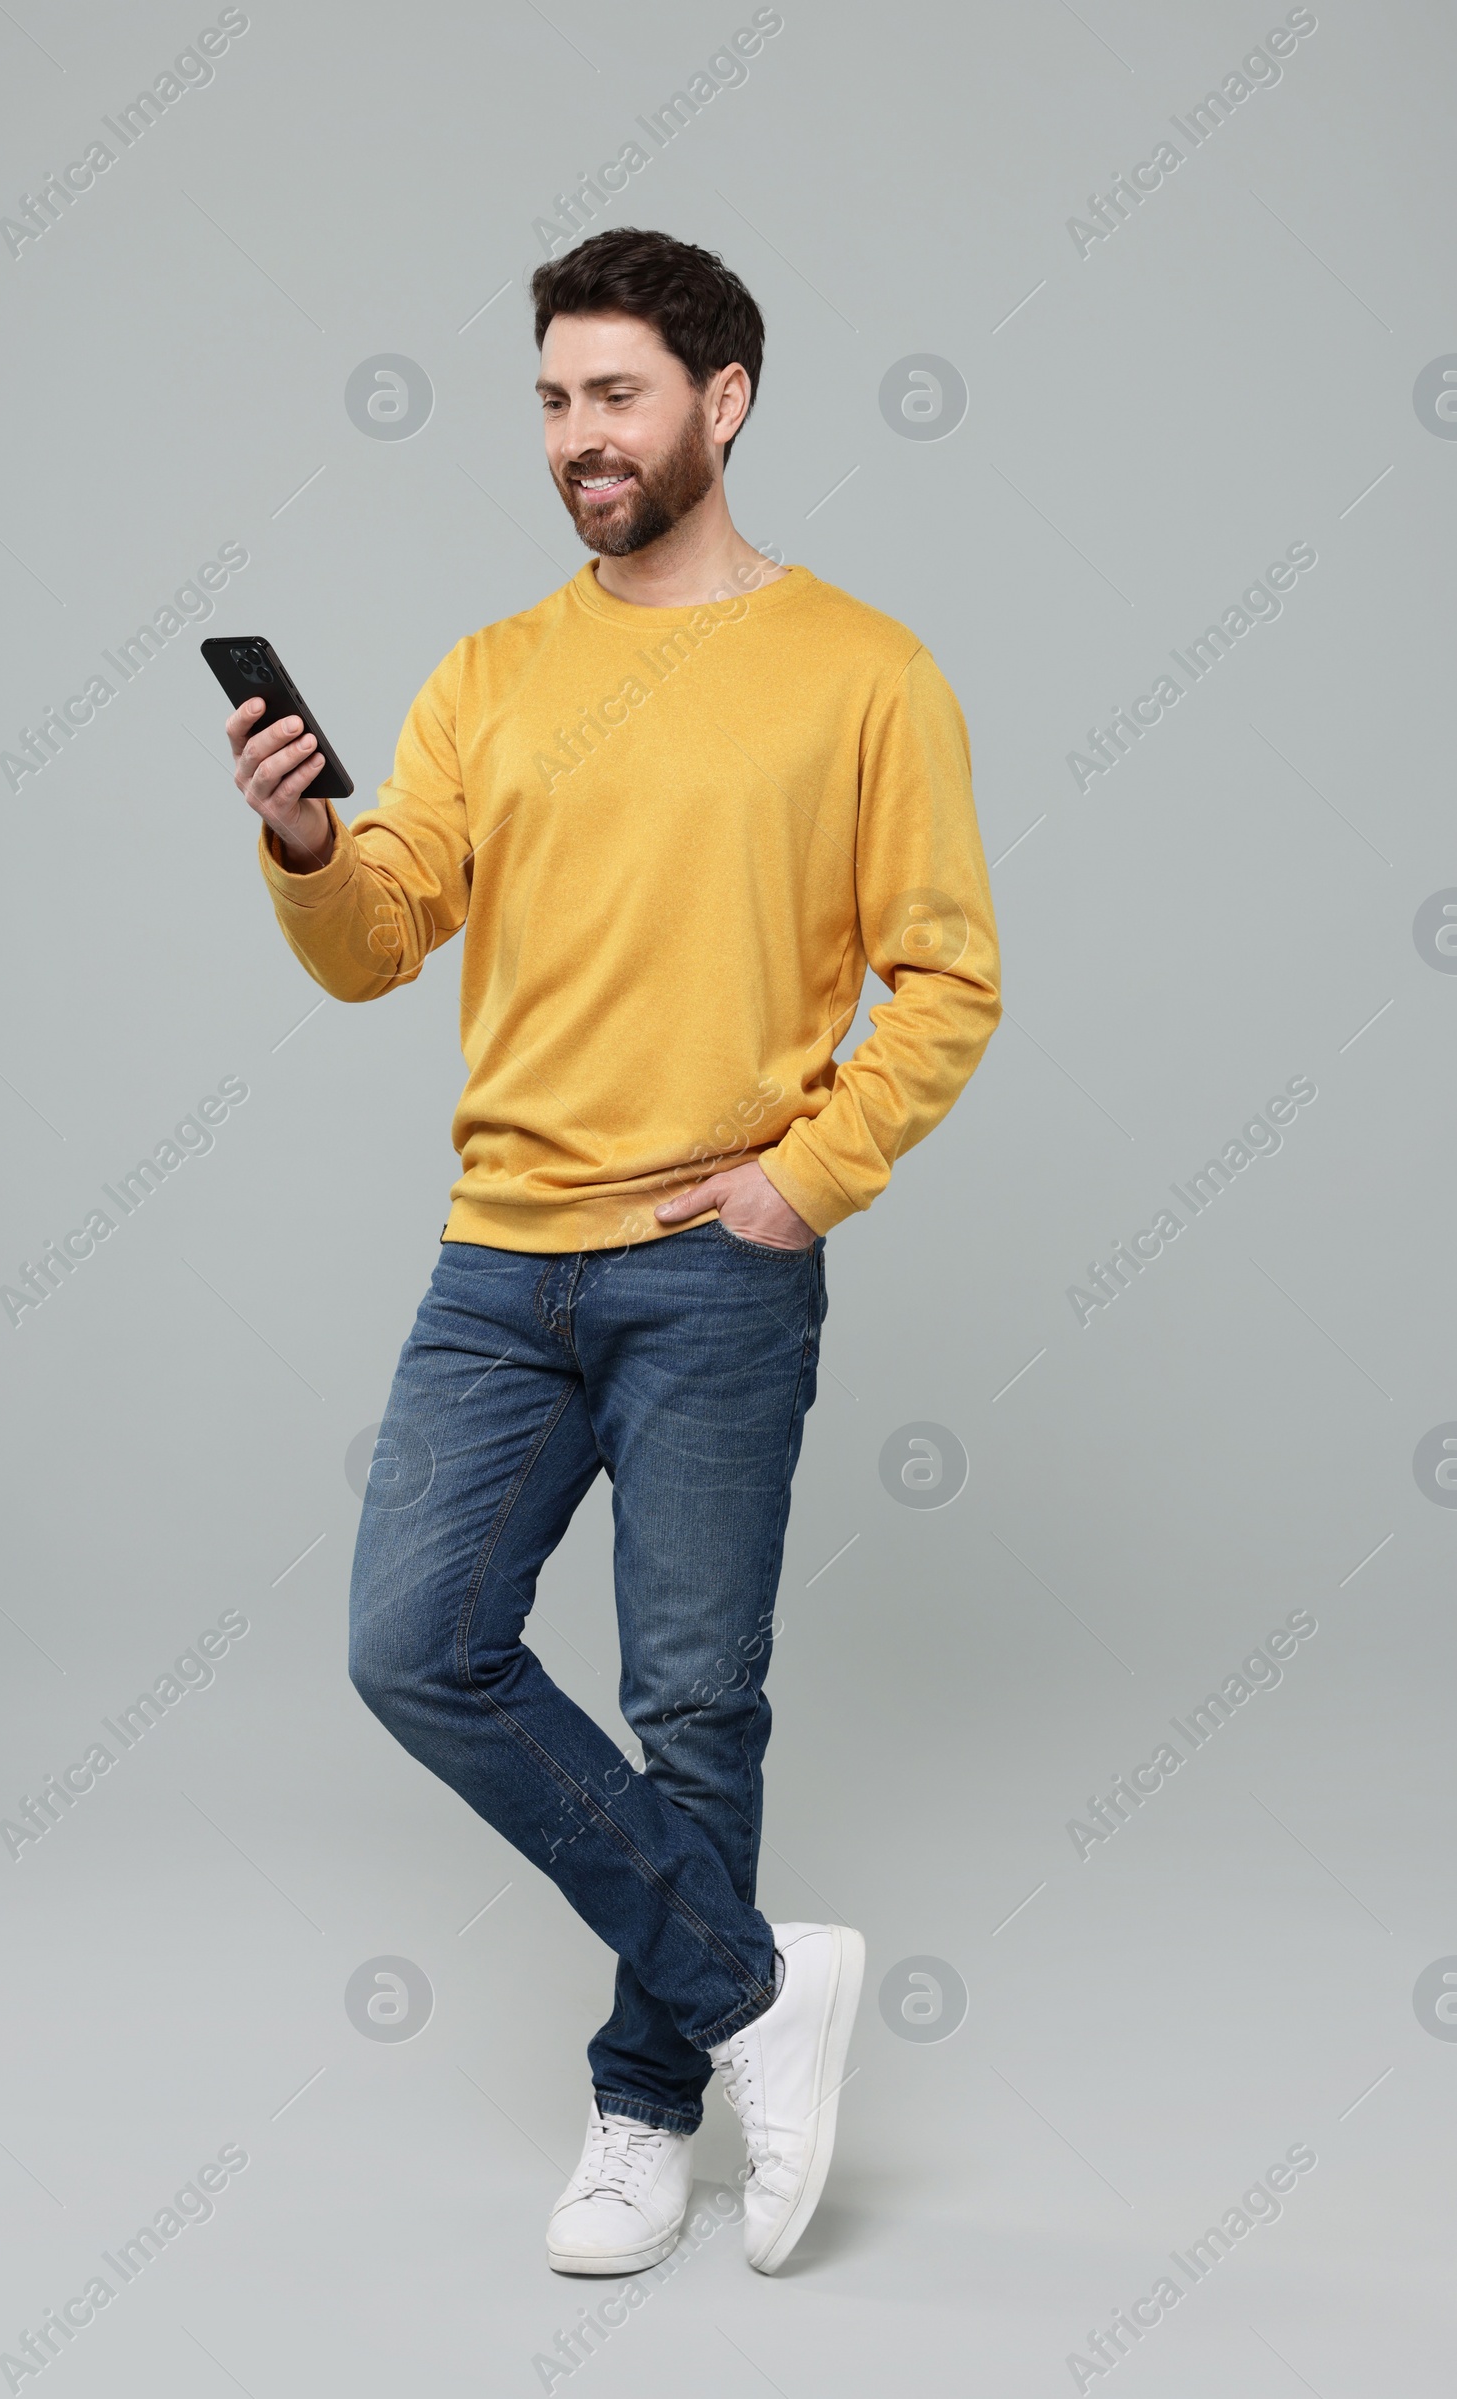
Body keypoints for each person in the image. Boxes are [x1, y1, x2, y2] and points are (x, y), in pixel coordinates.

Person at [226, 226, 1001, 2278]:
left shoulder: (863, 671)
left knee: (694, 1705)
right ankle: (757, 1986)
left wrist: (797, 1186)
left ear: (717, 404)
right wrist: (308, 847)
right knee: (416, 1646)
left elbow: (941, 980)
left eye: (615, 397)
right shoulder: (490, 672)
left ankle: (647, 2108)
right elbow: (383, 941)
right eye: (555, 400)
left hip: (713, 1267)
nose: (577, 437)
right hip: (500, 1262)